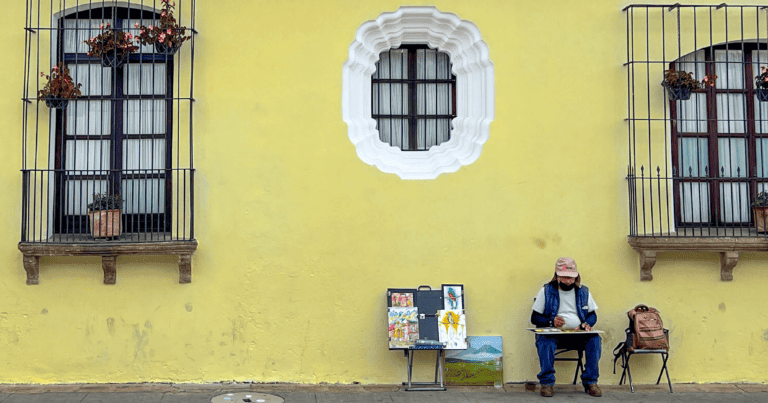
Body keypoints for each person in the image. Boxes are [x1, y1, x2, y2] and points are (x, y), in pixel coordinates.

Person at [530, 257, 602, 398]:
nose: (569, 281)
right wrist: (551, 322)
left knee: (595, 339)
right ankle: (547, 383)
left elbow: (593, 315)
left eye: (571, 278)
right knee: (545, 341)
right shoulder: (546, 291)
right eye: (565, 278)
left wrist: (586, 324)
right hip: (554, 335)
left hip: (578, 335)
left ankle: (590, 382)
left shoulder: (583, 292)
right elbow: (534, 318)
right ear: (557, 276)